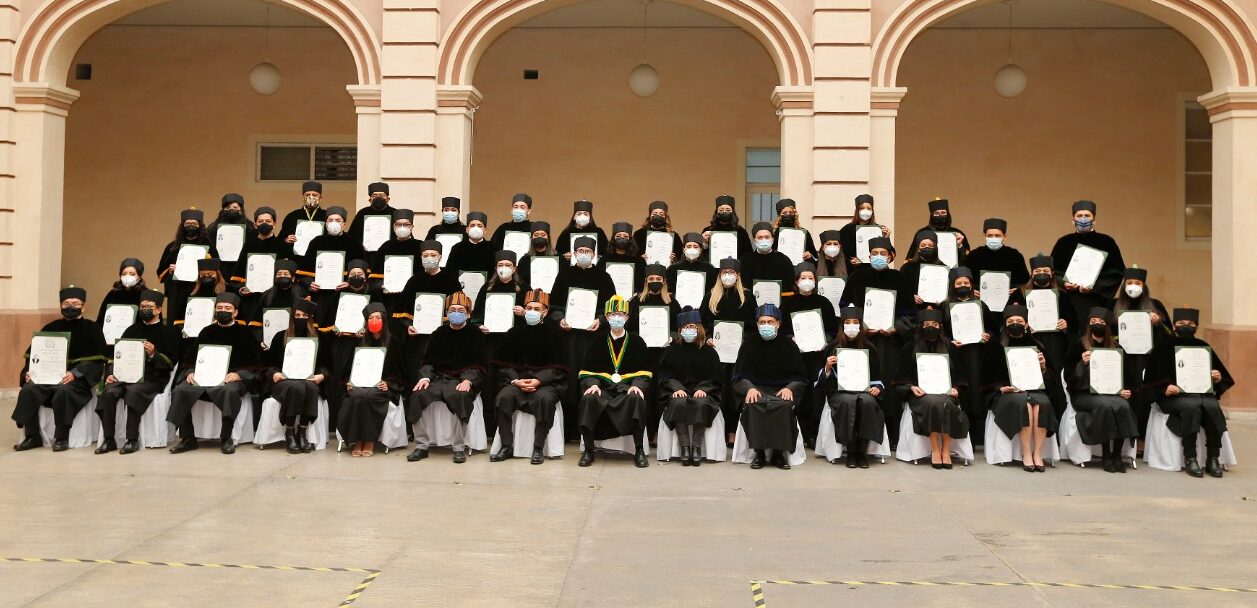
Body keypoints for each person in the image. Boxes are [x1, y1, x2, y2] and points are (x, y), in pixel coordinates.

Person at [12, 286, 108, 452]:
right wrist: (28, 373)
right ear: (60, 306)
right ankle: (32, 436)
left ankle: (61, 437)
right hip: (46, 377)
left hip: (74, 380)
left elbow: (97, 362)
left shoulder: (93, 329)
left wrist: (75, 374)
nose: (70, 307)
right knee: (29, 389)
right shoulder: (50, 328)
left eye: (75, 303)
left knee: (64, 392)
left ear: (83, 307)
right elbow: (34, 356)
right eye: (66, 303)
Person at [1143, 308, 1235, 478]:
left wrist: (1217, 378)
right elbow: (1149, 380)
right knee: (1191, 406)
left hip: (1200, 395)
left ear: (1196, 326)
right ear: (1174, 326)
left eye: (1190, 324)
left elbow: (1222, 377)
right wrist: (1164, 389)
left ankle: (1213, 457)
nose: (1186, 326)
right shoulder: (1163, 347)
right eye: (1181, 324)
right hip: (1173, 397)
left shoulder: (1203, 346)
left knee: (1212, 406)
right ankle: (1190, 457)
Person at [839, 236, 913, 446]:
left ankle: (891, 436)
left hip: (890, 343)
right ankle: (859, 435)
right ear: (869, 255)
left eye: (883, 254)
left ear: (891, 256)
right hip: (862, 342)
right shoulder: (857, 277)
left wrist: (895, 327)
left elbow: (910, 315)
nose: (878, 257)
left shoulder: (899, 279)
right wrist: (860, 327)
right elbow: (845, 307)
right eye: (875, 254)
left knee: (888, 386)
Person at [167, 293, 261, 455]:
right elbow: (191, 359)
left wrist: (239, 375)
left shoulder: (245, 333)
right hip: (204, 377)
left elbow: (256, 364)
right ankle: (188, 438)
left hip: (230, 379)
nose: (223, 311)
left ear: (235, 312)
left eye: (227, 308)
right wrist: (190, 372)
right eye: (219, 308)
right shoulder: (207, 331)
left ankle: (226, 438)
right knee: (181, 390)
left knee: (229, 392)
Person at [406, 292, 487, 463]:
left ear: (468, 313)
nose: (456, 313)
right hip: (438, 378)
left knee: (461, 397)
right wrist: (425, 378)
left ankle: (458, 447)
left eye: (460, 309)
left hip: (461, 380)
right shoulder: (439, 332)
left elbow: (478, 364)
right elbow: (428, 360)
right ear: (446, 312)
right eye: (452, 309)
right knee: (417, 395)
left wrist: (468, 380)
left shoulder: (475, 334)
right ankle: (421, 445)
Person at [95, 289, 178, 455]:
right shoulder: (132, 330)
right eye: (142, 307)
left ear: (159, 310)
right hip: (125, 376)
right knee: (108, 393)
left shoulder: (168, 332)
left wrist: (154, 354)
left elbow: (170, 363)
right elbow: (116, 356)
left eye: (149, 307)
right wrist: (111, 374)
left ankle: (132, 439)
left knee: (134, 392)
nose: (145, 310)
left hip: (152, 378)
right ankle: (109, 439)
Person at [981, 304, 1063, 472]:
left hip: (1034, 389)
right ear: (1005, 324)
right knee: (1023, 404)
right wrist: (1000, 388)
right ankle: (1026, 453)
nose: (1015, 323)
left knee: (1042, 404)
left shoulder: (1036, 346)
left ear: (1026, 324)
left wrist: (1043, 367)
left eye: (1019, 320)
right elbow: (986, 378)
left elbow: (1051, 380)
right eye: (1011, 321)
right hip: (1007, 393)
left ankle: (1038, 454)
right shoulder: (996, 346)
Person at [489, 289, 567, 464]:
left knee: (545, 399)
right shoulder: (513, 333)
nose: (532, 312)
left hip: (544, 383)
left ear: (545, 312)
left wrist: (539, 380)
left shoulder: (555, 335)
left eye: (537, 309)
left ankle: (538, 447)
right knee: (503, 397)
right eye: (529, 308)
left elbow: (560, 368)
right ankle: (506, 446)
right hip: (518, 382)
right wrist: (516, 381)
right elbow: (503, 365)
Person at [549, 236, 616, 436]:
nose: (584, 255)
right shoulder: (564, 275)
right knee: (570, 377)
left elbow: (611, 307)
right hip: (569, 337)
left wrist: (601, 320)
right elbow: (553, 305)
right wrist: (560, 318)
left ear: (594, 255)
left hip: (593, 337)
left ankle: (592, 425)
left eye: (588, 252)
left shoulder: (604, 277)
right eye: (581, 251)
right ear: (575, 253)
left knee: (591, 375)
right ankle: (569, 429)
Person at [576, 295, 653, 468]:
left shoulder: (637, 342)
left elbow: (644, 372)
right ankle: (589, 450)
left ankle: (639, 450)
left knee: (636, 398)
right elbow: (588, 370)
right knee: (589, 398)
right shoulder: (597, 341)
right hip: (603, 389)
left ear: (626, 317)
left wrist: (636, 386)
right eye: (612, 314)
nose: (616, 318)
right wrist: (593, 384)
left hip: (626, 389)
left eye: (620, 314)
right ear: (607, 317)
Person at [1064, 307, 1139, 473]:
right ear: (1088, 325)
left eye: (1101, 322)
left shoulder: (1117, 348)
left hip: (1112, 393)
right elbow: (1068, 377)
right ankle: (1106, 454)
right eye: (1093, 322)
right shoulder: (1079, 345)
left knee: (1123, 406)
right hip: (1084, 394)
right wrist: (1081, 364)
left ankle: (1117, 455)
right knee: (1105, 405)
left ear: (1107, 326)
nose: (1097, 325)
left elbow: (1128, 378)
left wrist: (1125, 390)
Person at [733, 304, 807, 469]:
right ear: (757, 324)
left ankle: (778, 454)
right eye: (762, 322)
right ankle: (759, 454)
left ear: (778, 324)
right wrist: (749, 388)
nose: (766, 325)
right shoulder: (748, 344)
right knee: (754, 405)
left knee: (782, 406)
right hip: (756, 389)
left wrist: (790, 388)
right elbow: (738, 375)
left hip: (782, 390)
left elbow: (801, 377)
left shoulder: (789, 345)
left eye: (770, 322)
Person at [894, 308, 968, 469]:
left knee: (947, 404)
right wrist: (911, 387)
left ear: (940, 326)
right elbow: (901, 377)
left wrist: (956, 388)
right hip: (921, 393)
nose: (930, 327)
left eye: (934, 324)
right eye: (926, 324)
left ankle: (946, 449)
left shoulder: (950, 347)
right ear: (920, 327)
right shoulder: (910, 347)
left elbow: (959, 375)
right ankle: (935, 448)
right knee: (932, 403)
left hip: (946, 392)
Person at [817, 307, 884, 468]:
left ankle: (862, 451)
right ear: (842, 325)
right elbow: (822, 380)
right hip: (840, 392)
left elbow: (877, 377)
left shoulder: (870, 348)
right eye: (848, 322)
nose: (851, 326)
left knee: (867, 402)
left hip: (864, 390)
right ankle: (851, 450)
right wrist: (827, 367)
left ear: (861, 326)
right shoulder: (832, 347)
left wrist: (877, 388)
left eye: (855, 322)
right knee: (847, 402)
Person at [780, 261, 838, 447]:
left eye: (810, 278)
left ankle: (813, 433)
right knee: (799, 393)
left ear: (815, 280)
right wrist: (791, 338)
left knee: (816, 393)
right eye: (803, 278)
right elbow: (782, 330)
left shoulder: (824, 303)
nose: (807, 281)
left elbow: (832, 330)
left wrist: (825, 340)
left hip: (817, 356)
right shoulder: (788, 303)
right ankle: (798, 432)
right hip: (795, 357)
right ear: (796, 282)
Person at [1111, 265, 1172, 440]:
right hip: (1123, 361)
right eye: (1129, 282)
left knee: (1144, 398)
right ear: (1124, 285)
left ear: (1144, 285)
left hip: (1147, 361)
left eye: (1137, 283)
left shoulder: (1155, 305)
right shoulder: (1113, 305)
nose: (1133, 286)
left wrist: (1159, 323)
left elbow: (1169, 335)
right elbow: (1104, 332)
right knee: (1126, 396)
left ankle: (1142, 439)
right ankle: (1124, 438)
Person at [337, 303, 405, 457]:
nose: (374, 320)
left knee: (370, 396)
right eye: (370, 318)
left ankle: (369, 440)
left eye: (378, 318)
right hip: (359, 384)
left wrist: (387, 383)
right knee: (356, 396)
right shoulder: (359, 342)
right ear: (366, 322)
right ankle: (357, 440)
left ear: (384, 320)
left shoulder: (393, 342)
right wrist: (348, 382)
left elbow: (400, 372)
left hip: (380, 387)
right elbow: (348, 370)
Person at [261, 298, 328, 454]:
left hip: (309, 379)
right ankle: (290, 431)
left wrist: (322, 376)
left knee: (309, 387)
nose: (301, 318)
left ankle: (302, 432)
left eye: (305, 315)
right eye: (297, 315)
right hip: (284, 380)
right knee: (296, 386)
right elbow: (268, 365)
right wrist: (274, 373)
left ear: (310, 318)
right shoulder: (280, 337)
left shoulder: (320, 338)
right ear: (292, 317)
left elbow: (326, 364)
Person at [657, 308, 723, 466]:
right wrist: (676, 388)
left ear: (698, 328)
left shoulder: (709, 352)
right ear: (680, 330)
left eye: (692, 327)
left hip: (703, 392)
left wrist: (704, 389)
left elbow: (717, 377)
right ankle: (685, 447)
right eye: (684, 328)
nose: (688, 330)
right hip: (679, 391)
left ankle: (696, 448)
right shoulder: (672, 351)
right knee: (678, 403)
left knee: (701, 403)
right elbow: (664, 374)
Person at [1049, 200, 1125, 333]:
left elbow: (1117, 273)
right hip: (1069, 301)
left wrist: (1094, 288)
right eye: (1079, 216)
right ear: (1073, 220)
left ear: (1094, 219)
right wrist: (1064, 283)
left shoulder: (1107, 242)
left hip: (1096, 301)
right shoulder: (1063, 242)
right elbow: (1052, 272)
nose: (1083, 219)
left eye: (1087, 215)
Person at [941, 267, 992, 445]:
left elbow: (993, 329)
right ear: (952, 285)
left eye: (966, 283)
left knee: (975, 392)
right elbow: (938, 333)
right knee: (959, 389)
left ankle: (977, 436)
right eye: (958, 283)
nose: (962, 286)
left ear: (971, 285)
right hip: (954, 355)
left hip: (976, 355)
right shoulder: (944, 306)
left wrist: (988, 336)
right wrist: (948, 342)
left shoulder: (981, 306)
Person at [1007, 254, 1074, 373]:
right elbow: (1008, 318)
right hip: (1030, 339)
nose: (1041, 273)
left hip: (1055, 341)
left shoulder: (1062, 295)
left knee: (1055, 371)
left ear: (1052, 273)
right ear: (1032, 273)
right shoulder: (1019, 294)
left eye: (1045, 271)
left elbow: (1073, 320)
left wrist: (1066, 323)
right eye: (1037, 271)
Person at [230, 206, 286, 323]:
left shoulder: (281, 246)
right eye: (260, 221)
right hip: (251, 299)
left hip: (273, 298)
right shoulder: (249, 245)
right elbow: (237, 275)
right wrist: (241, 289)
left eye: (268, 221)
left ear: (274, 224)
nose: (264, 223)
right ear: (255, 224)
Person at [156, 208, 209, 322]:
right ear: (182, 225)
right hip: (177, 290)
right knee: (175, 322)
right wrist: (170, 270)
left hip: (200, 288)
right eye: (188, 223)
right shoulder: (172, 247)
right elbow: (160, 271)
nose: (191, 226)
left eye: (194, 223)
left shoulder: (208, 246)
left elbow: (215, 268)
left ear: (200, 225)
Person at [299, 206, 368, 287]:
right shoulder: (316, 242)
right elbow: (305, 269)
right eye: (330, 220)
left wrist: (350, 283)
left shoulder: (354, 243)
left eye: (338, 220)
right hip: (319, 289)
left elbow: (362, 268)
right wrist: (309, 283)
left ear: (344, 224)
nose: (334, 223)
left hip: (345, 288)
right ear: (326, 223)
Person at [962, 218, 1029, 292]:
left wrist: (1017, 290)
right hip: (980, 298)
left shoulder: (1015, 255)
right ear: (985, 236)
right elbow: (964, 279)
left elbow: (1025, 281)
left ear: (1004, 236)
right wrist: (971, 291)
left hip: (1009, 300)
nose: (993, 238)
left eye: (997, 235)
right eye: (990, 236)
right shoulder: (974, 255)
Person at [838, 193, 893, 275]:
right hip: (854, 272)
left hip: (875, 272)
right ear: (857, 211)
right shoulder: (847, 230)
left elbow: (890, 255)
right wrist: (850, 261)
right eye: (862, 208)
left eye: (868, 208)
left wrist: (886, 238)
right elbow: (840, 253)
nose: (865, 210)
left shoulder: (879, 229)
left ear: (872, 211)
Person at [207, 193, 257, 282]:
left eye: (235, 208)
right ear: (222, 210)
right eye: (227, 208)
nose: (231, 210)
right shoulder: (213, 228)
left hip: (242, 267)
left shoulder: (250, 227)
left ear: (241, 210)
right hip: (220, 268)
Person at [370, 208, 424, 285]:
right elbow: (375, 276)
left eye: (406, 224)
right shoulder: (386, 247)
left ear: (412, 227)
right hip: (389, 294)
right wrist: (380, 286)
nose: (402, 227)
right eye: (398, 224)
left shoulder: (420, 246)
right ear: (394, 227)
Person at [905, 198, 969, 262]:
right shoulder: (922, 233)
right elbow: (912, 257)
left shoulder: (957, 233)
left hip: (952, 270)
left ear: (948, 214)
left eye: (943, 212)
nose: (940, 215)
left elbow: (966, 258)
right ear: (932, 215)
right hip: (926, 268)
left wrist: (960, 245)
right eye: (936, 213)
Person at [741, 222, 795, 291]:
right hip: (752, 300)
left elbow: (789, 284)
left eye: (767, 237)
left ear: (772, 239)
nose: (764, 240)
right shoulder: (746, 261)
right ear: (755, 241)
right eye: (760, 237)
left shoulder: (784, 260)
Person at [279, 181, 328, 258]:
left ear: (320, 197)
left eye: (314, 195)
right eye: (307, 195)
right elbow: (280, 239)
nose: (311, 197)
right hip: (297, 260)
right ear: (303, 197)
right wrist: (286, 240)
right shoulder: (292, 216)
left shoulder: (327, 216)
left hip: (320, 259)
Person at [346, 182, 395, 253]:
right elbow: (353, 236)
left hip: (388, 253)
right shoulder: (362, 213)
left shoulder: (395, 213)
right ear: (370, 199)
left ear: (388, 199)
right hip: (367, 256)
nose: (378, 197)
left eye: (381, 195)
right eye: (374, 195)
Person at [666, 233, 716, 302]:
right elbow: (670, 291)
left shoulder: (709, 269)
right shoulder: (672, 269)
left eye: (695, 247)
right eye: (689, 246)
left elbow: (710, 292)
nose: (692, 249)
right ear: (684, 249)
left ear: (700, 250)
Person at [700, 194, 752, 260]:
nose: (724, 212)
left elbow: (748, 254)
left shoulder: (741, 232)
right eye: (721, 210)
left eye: (728, 210)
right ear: (717, 213)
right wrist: (704, 243)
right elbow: (701, 255)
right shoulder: (708, 231)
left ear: (733, 212)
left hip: (735, 268)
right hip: (713, 269)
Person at [96, 258, 147, 324]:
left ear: (139, 276)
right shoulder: (113, 294)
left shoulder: (146, 295)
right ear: (120, 275)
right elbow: (101, 318)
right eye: (124, 274)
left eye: (132, 274)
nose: (127, 276)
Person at [603, 221, 645, 291]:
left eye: (625, 236)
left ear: (630, 240)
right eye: (618, 236)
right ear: (613, 239)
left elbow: (642, 283)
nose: (622, 238)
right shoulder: (604, 260)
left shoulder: (639, 261)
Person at [516, 220, 554, 290]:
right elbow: (521, 282)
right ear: (531, 239)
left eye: (543, 235)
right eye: (536, 235)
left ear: (548, 238)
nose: (539, 237)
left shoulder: (558, 258)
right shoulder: (524, 260)